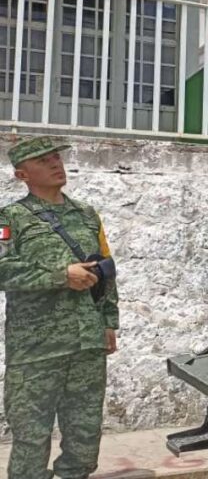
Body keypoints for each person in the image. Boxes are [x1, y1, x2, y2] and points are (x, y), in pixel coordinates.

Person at [0, 136, 119, 479]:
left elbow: (106, 268)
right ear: (22, 175)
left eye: (56, 157)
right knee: (31, 440)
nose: (55, 164)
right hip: (36, 350)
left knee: (84, 438)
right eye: (43, 160)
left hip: (87, 344)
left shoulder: (86, 215)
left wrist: (109, 322)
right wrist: (59, 275)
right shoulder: (11, 218)